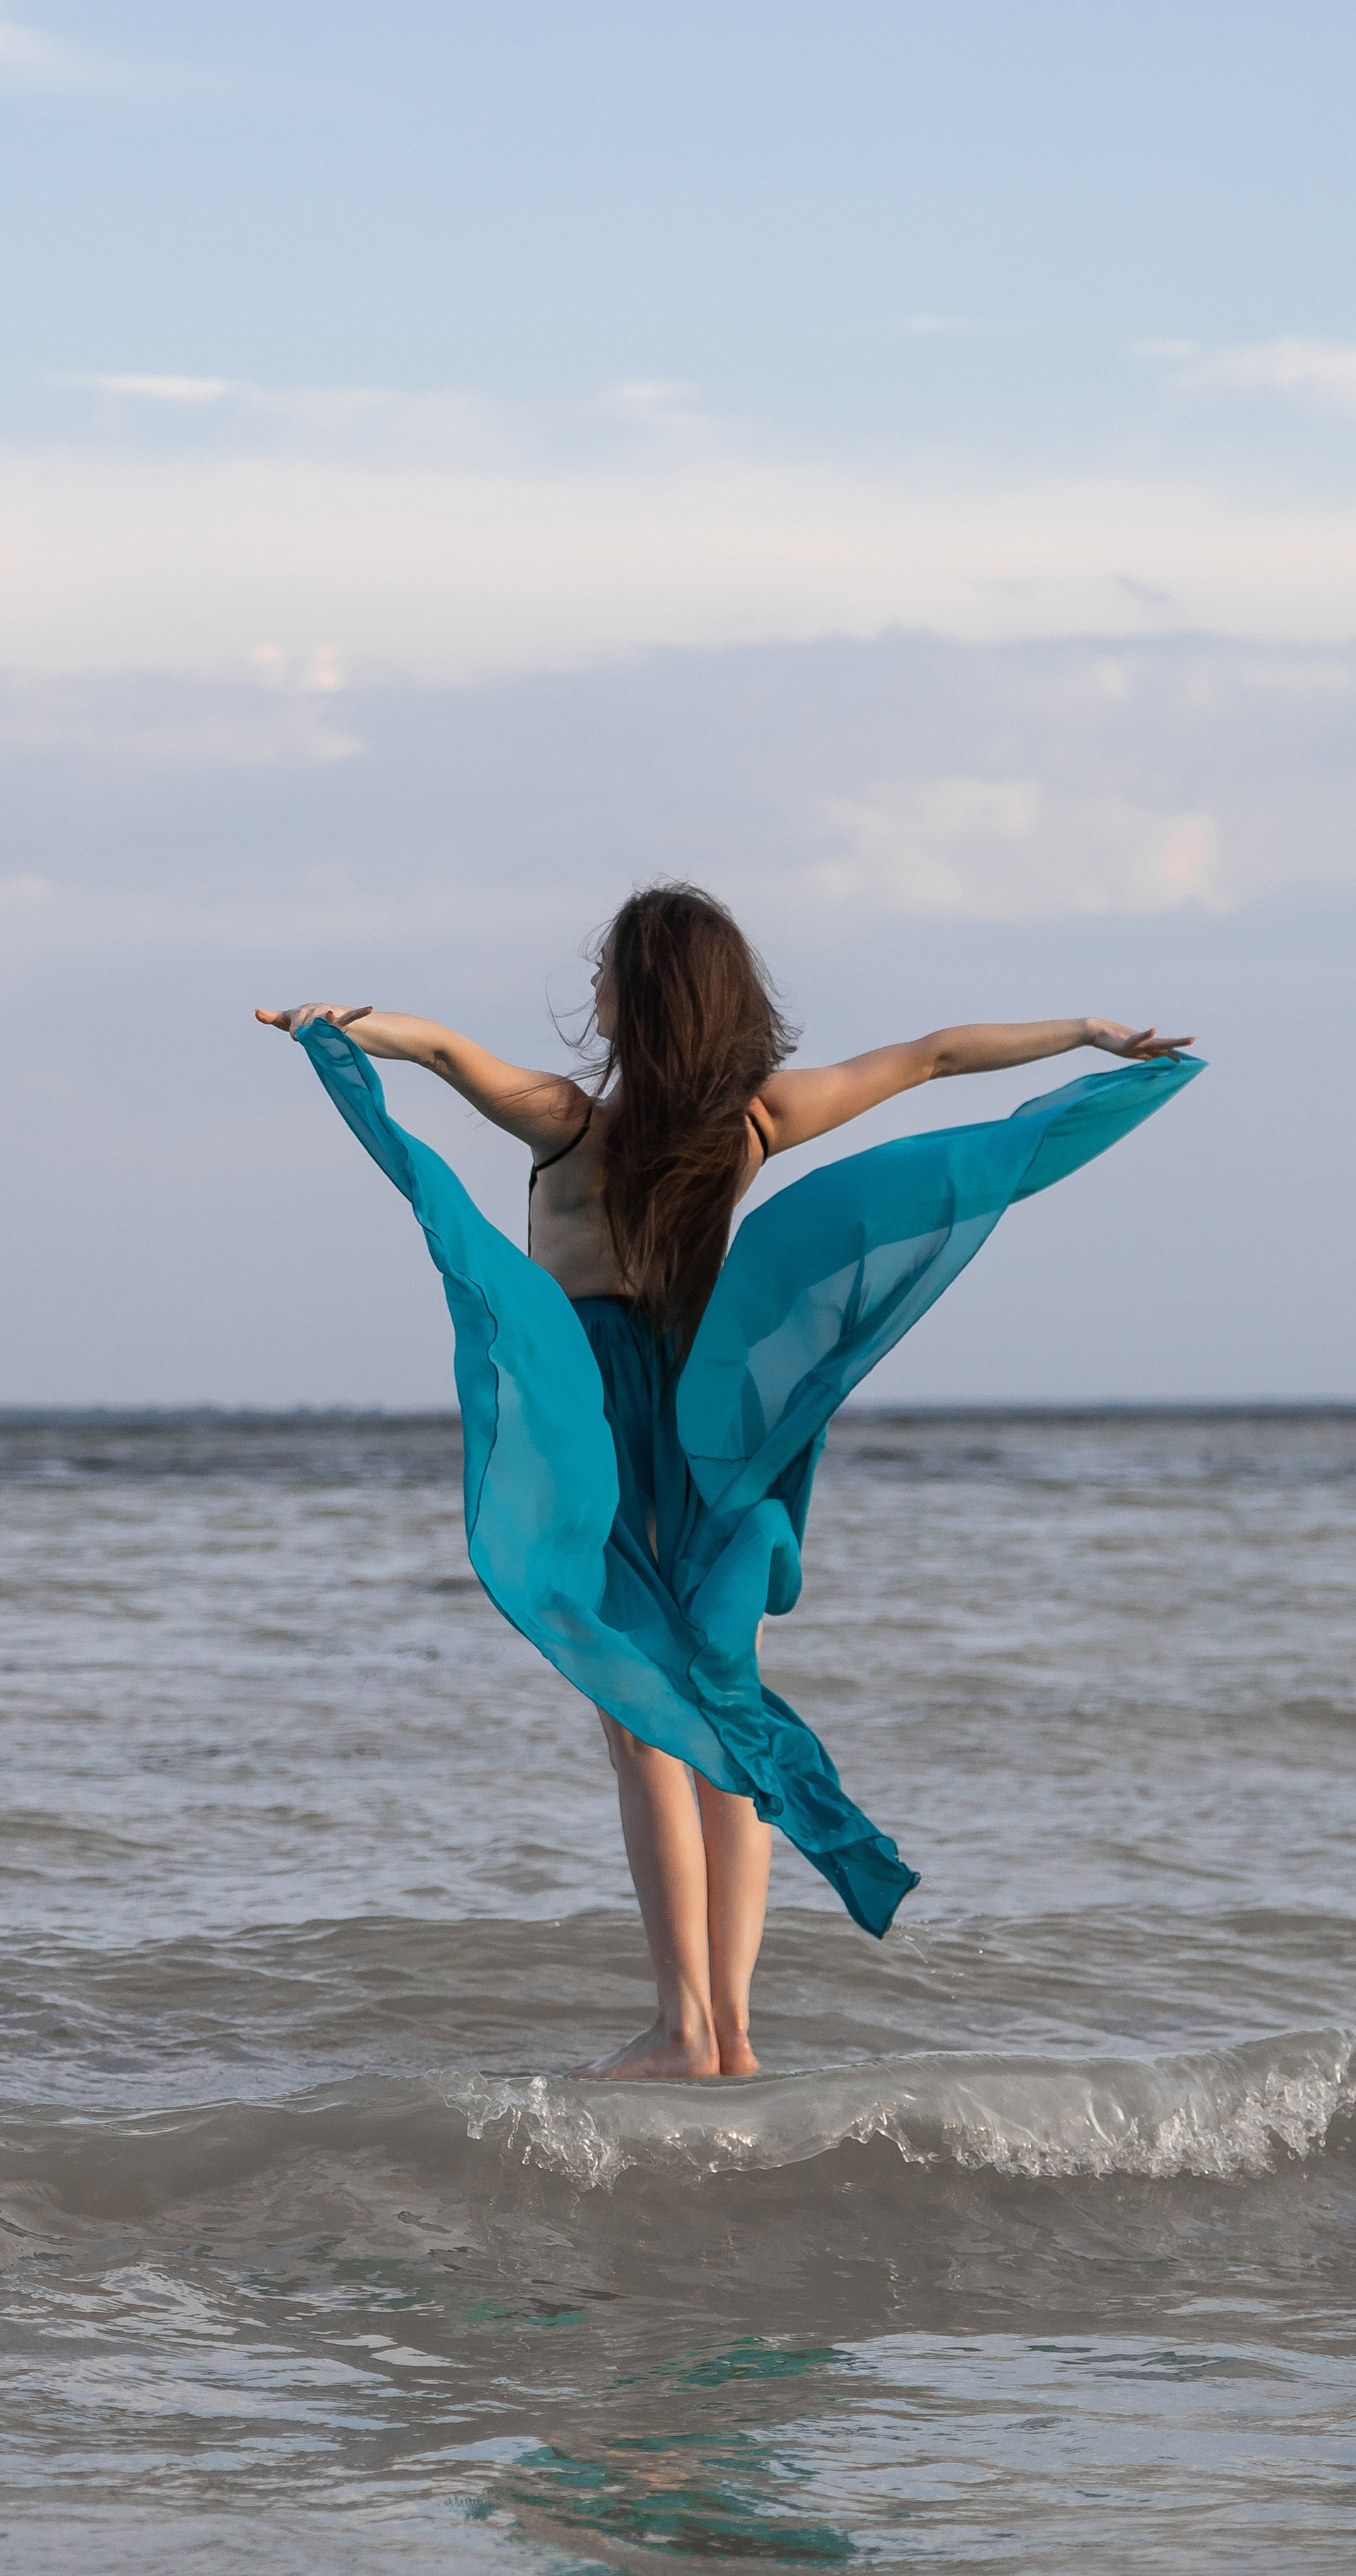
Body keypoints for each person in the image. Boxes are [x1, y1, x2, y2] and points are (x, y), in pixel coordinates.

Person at [258, 883, 1197, 2081]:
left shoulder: (568, 1123)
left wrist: (339, 1026)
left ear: (640, 1000)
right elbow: (934, 1057)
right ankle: (734, 2035)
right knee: (720, 1703)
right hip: (712, 1429)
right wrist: (1085, 1035)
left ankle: (681, 2028)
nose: (591, 987)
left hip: (600, 1430)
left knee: (643, 1726)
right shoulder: (756, 1120)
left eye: (606, 972)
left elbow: (440, 1052)